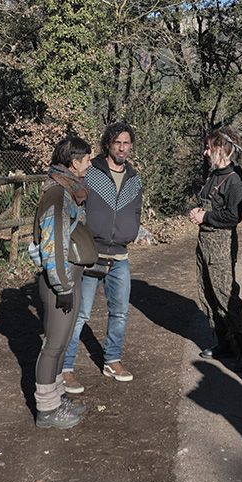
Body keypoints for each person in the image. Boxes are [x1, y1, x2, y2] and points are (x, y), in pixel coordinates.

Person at [61, 121, 147, 390]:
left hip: (120, 255)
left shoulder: (134, 178)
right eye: (117, 143)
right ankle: (66, 366)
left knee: (119, 312)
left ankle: (112, 359)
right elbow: (74, 203)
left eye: (126, 143)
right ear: (108, 144)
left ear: (131, 146)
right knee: (80, 313)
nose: (122, 148)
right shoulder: (91, 172)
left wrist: (132, 230)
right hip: (90, 253)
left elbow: (135, 210)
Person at [29, 135, 94, 429]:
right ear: (73, 162)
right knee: (53, 346)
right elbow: (53, 245)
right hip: (61, 282)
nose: (90, 163)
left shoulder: (67, 191)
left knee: (61, 342)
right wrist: (63, 287)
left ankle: (55, 399)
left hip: (68, 279)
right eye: (87, 159)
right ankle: (46, 410)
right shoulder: (58, 195)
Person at [189, 125, 242, 372]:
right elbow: (209, 204)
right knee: (207, 292)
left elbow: (233, 217)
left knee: (226, 296)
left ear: (222, 149)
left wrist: (206, 217)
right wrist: (198, 211)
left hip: (222, 245)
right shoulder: (214, 174)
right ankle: (224, 344)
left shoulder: (235, 180)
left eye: (209, 148)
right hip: (204, 242)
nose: (206, 153)